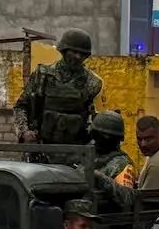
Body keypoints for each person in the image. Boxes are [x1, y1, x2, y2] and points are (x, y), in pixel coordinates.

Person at [13, 29, 103, 163]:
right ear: (64, 50)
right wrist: (24, 132)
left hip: (75, 155)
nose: (78, 57)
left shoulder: (92, 83)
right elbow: (21, 106)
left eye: (82, 53)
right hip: (40, 150)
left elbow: (95, 121)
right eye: (74, 51)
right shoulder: (42, 75)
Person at [89, 111, 137, 212]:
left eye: (102, 137)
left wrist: (100, 178)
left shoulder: (122, 164)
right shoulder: (89, 153)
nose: (97, 141)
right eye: (96, 136)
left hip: (105, 218)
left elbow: (127, 198)